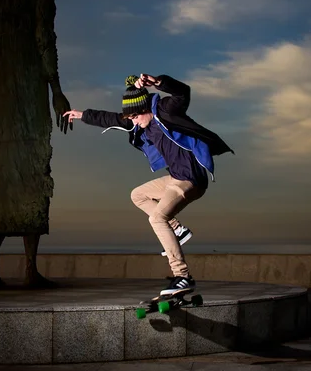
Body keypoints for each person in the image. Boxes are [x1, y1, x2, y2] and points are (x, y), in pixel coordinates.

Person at [64, 73, 234, 296]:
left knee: (156, 218)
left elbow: (183, 92)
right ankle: (177, 229)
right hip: (174, 178)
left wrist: (158, 82)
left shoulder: (166, 111)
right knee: (138, 195)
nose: (133, 123)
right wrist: (82, 115)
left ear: (144, 110)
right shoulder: (137, 120)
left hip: (191, 179)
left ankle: (182, 276)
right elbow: (111, 118)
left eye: (135, 117)